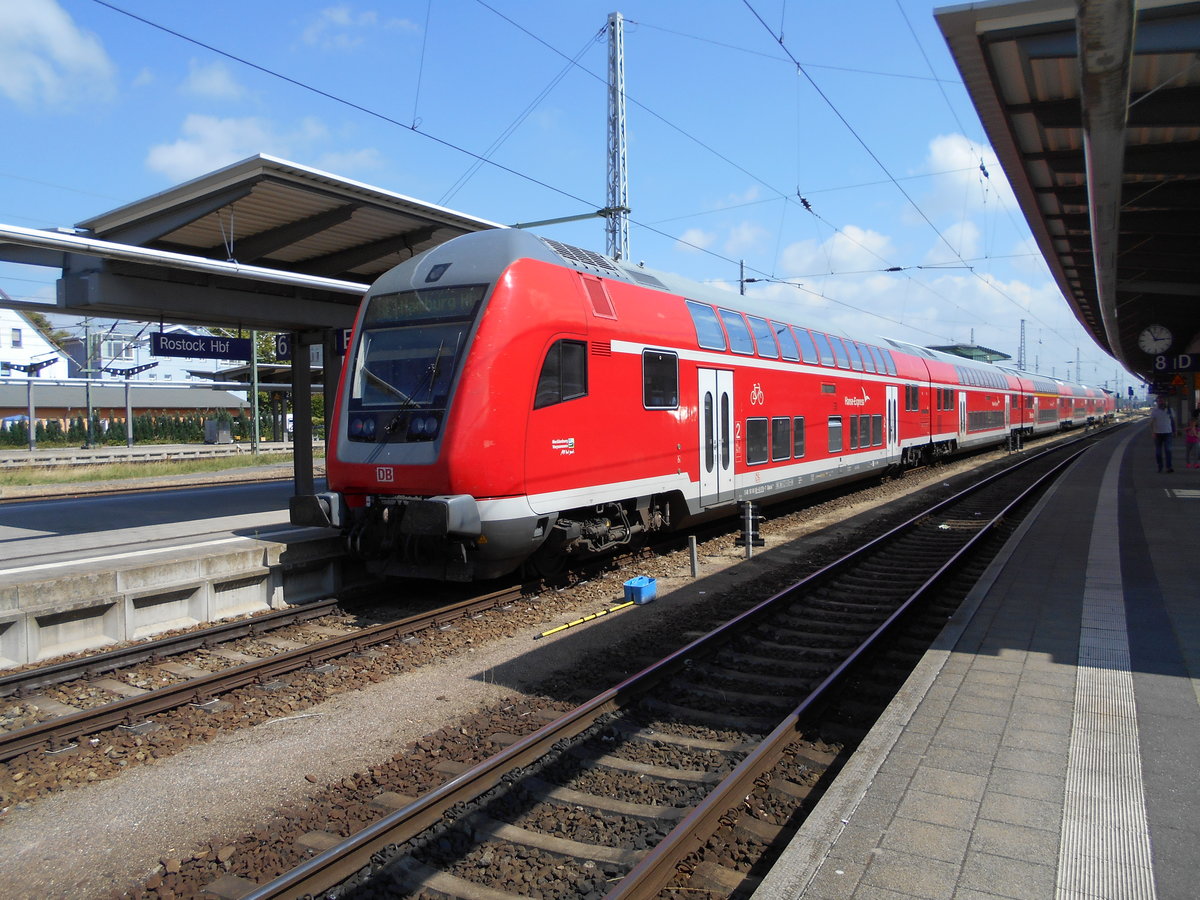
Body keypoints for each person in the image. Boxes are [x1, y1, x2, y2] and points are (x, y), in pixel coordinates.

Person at [1150, 396, 1176, 473]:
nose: (1161, 402)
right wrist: (1153, 432)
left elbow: (1173, 421)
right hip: (1158, 434)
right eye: (1159, 401)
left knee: (1168, 450)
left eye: (1162, 401)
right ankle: (1160, 466)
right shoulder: (1155, 411)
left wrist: (1175, 431)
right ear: (1157, 402)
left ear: (1165, 402)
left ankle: (1169, 467)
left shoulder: (1170, 410)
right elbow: (1151, 423)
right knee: (1158, 452)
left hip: (1168, 433)